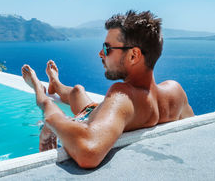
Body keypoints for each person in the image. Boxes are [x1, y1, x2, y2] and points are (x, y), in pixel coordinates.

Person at [21, 10, 194, 168]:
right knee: (78, 91)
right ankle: (56, 83)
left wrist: (52, 123)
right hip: (100, 114)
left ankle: (38, 85)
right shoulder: (175, 90)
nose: (101, 54)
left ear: (134, 55)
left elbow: (88, 152)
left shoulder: (123, 95)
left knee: (47, 105)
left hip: (91, 118)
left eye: (107, 48)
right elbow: (194, 127)